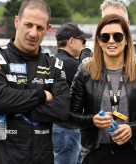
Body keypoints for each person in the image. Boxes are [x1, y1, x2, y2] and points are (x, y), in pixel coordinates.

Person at [0, 0, 71, 163]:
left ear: (48, 29)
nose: (33, 33)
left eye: (40, 27)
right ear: (17, 22)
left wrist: (15, 107)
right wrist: (42, 96)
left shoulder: (54, 65)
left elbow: (61, 110)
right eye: (28, 25)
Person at [68, 14, 136, 164]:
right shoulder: (85, 72)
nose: (111, 41)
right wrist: (92, 120)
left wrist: (132, 128)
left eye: (117, 36)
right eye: (105, 37)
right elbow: (70, 115)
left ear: (126, 40)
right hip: (96, 153)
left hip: (134, 152)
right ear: (99, 41)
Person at [79, 0, 136, 82]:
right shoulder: (89, 53)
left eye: (117, 21)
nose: (113, 25)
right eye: (108, 20)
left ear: (127, 24)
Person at [52, 22, 92, 164]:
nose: (85, 46)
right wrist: (86, 61)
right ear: (71, 41)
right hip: (68, 128)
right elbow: (91, 87)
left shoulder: (52, 60)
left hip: (55, 125)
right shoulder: (71, 64)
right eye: (83, 42)